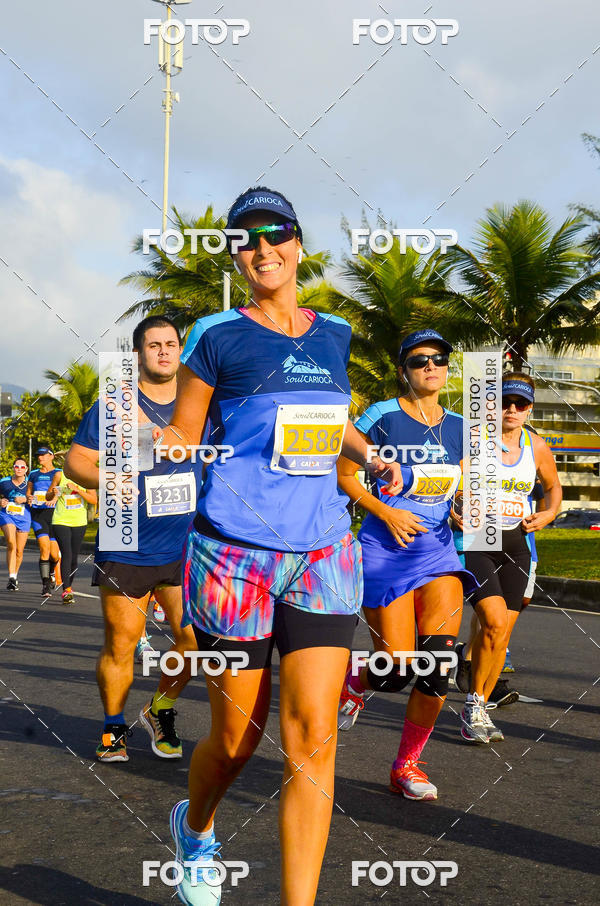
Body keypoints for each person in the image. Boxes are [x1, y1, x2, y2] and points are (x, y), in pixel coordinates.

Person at [153, 186, 402, 906]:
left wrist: (370, 454)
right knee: (236, 741)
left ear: (297, 243)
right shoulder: (216, 335)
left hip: (323, 551)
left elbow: (328, 418)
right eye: (246, 239)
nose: (262, 249)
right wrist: (155, 443)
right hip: (235, 555)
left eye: (275, 234)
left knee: (314, 737)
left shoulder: (335, 333)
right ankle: (196, 827)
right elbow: (185, 432)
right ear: (235, 254)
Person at [336, 329, 477, 801]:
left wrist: (461, 507)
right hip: (385, 549)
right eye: (419, 361)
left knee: (437, 665)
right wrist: (386, 512)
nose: (430, 366)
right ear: (404, 371)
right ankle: (357, 679)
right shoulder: (382, 416)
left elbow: (458, 486)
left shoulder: (460, 426)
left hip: (437, 551)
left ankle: (407, 765)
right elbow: (344, 474)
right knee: (395, 670)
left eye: (439, 358)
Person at [64, 316, 202, 763]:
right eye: (153, 345)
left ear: (180, 350)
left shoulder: (198, 402)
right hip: (127, 537)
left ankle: (159, 708)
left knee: (196, 641)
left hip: (187, 543)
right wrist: (114, 478)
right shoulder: (116, 405)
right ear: (139, 353)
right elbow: (75, 463)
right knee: (122, 643)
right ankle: (113, 726)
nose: (163, 351)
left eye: (170, 344)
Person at [459, 373, 562, 743]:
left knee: (501, 636)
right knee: (493, 620)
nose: (512, 409)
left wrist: (548, 514)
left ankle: (480, 706)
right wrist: (457, 505)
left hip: (517, 545)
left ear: (529, 408)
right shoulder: (474, 440)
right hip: (479, 541)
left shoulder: (536, 446)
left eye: (521, 404)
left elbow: (553, 486)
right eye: (505, 402)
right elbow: (453, 482)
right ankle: (472, 705)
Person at [45, 467, 97, 604]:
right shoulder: (59, 475)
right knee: (67, 554)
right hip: (60, 520)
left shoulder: (86, 476)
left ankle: (68, 586)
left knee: (74, 557)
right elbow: (47, 496)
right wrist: (53, 492)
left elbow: (93, 500)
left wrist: (78, 490)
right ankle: (67, 590)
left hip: (79, 522)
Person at [26, 447, 61, 595]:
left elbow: (61, 491)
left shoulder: (58, 473)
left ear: (51, 456)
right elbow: (29, 491)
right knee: (44, 549)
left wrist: (54, 498)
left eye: (43, 455)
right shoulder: (34, 474)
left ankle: (51, 572)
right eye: (38, 455)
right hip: (38, 514)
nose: (40, 457)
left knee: (54, 555)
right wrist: (29, 497)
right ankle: (45, 584)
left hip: (54, 515)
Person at [0, 458, 32, 590]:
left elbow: (38, 499)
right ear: (13, 468)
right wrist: (1, 501)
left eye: (22, 467)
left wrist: (25, 499)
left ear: (26, 469)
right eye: (16, 466)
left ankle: (14, 577)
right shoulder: (4, 481)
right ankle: (12, 576)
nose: (19, 469)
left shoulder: (30, 483)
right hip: (7, 515)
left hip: (24, 517)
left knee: (19, 550)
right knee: (11, 543)